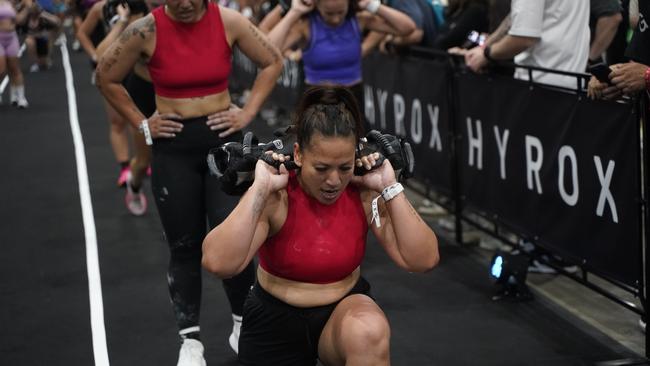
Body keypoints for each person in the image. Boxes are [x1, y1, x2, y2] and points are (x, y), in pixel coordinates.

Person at [95, 0, 283, 363]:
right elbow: (105, 75)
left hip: (223, 147)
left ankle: (242, 325)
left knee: (236, 242)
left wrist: (248, 111)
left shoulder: (227, 21)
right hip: (173, 150)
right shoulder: (146, 29)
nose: (183, 4)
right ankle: (190, 341)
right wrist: (142, 122)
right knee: (184, 246)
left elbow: (273, 60)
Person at [202, 86, 440, 365]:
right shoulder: (277, 195)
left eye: (344, 167)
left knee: (369, 332)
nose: (334, 181)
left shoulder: (364, 191)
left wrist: (389, 185)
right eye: (322, 168)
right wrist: (260, 188)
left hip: (342, 311)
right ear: (299, 155)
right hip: (274, 319)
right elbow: (218, 263)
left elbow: (423, 259)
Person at [267, 0, 415, 110]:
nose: (336, 19)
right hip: (316, 99)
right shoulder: (306, 26)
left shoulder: (358, 20)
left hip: (352, 97)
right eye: (329, 13)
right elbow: (266, 51)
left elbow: (407, 28)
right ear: (316, 6)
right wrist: (294, 13)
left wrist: (373, 5)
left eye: (341, 12)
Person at [94, 0, 153, 215]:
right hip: (133, 91)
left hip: (164, 96)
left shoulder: (153, 24)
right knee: (143, 159)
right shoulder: (126, 26)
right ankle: (133, 179)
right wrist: (123, 22)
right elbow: (99, 56)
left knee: (168, 159)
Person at [465, 0, 590, 89]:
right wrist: (485, 46)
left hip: (540, 84)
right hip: (570, 80)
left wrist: (486, 54)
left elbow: (524, 39)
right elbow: (517, 18)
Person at [0, 0, 28, 107]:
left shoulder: (10, 2)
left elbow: (18, 20)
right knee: (1, 69)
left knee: (14, 68)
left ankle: (20, 97)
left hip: (11, 37)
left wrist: (27, 8)